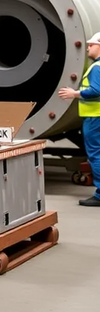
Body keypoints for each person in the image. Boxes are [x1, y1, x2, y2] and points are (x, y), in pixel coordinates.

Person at [59, 31, 100, 207]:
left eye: (91, 45)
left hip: (94, 117)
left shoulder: (96, 67)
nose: (88, 48)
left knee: (95, 155)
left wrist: (74, 94)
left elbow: (96, 90)